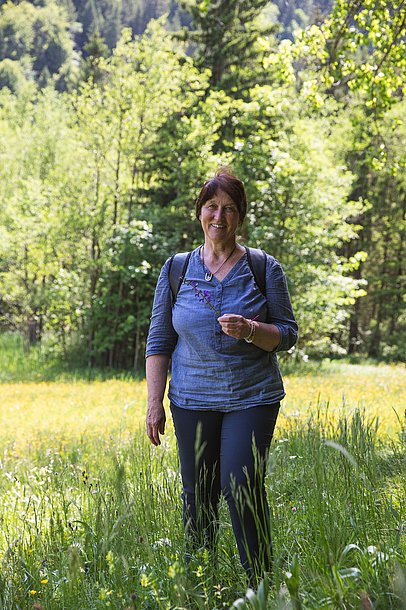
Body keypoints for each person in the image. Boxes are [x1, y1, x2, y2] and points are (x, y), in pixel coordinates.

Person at [145, 167, 298, 586]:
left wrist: (251, 329)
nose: (219, 216)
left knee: (242, 486)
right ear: (199, 212)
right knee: (199, 496)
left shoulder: (264, 268)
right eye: (212, 206)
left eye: (229, 209)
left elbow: (287, 334)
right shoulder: (177, 270)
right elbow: (159, 338)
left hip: (252, 396)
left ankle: (259, 584)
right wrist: (153, 403)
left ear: (240, 217)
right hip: (191, 399)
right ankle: (200, 581)